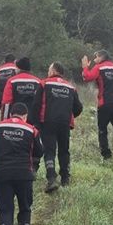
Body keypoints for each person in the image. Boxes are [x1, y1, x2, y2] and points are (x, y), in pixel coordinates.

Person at [39, 61, 84, 191]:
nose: (48, 72)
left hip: (47, 122)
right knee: (64, 151)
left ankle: (51, 178)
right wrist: (68, 116)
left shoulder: (44, 84)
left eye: (49, 70)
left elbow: (36, 104)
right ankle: (65, 178)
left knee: (49, 151)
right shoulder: (71, 87)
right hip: (64, 123)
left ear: (53, 71)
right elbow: (79, 108)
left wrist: (35, 122)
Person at [1, 57, 42, 125]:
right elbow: (40, 102)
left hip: (15, 118)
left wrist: (4, 120)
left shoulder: (11, 81)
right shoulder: (38, 82)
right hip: (32, 119)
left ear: (19, 68)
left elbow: (6, 103)